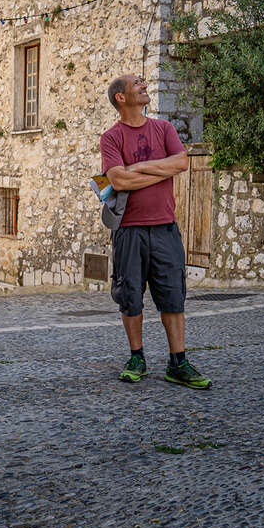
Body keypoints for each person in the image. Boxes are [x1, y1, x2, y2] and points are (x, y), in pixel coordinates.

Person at [100, 74, 211, 390]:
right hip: (128, 231)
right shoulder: (111, 137)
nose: (144, 85)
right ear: (121, 97)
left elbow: (181, 163)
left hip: (165, 228)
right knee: (130, 297)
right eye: (137, 84)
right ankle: (137, 357)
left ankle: (178, 363)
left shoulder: (164, 129)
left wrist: (135, 169)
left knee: (173, 297)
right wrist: (152, 170)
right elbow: (118, 181)